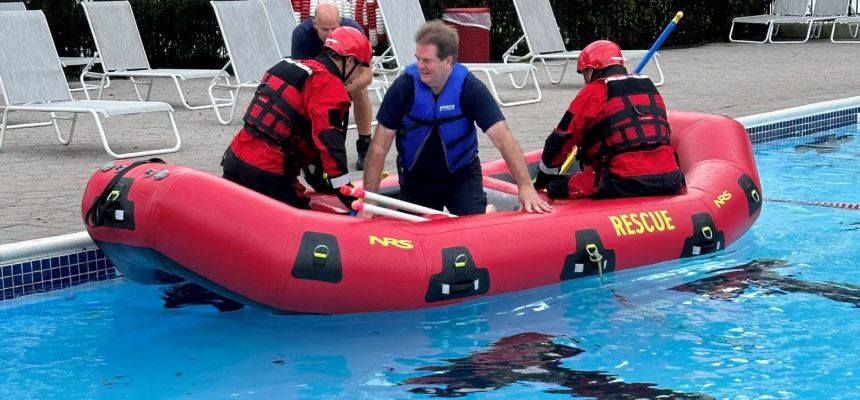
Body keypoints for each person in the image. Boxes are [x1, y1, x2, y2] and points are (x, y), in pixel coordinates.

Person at [362, 21, 551, 216]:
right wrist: (370, 200)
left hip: (461, 177)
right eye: (417, 58)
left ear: (448, 61)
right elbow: (379, 147)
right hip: (417, 179)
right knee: (418, 232)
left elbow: (504, 140)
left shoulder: (470, 88)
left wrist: (526, 186)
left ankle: (486, 210)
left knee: (475, 226)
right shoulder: (404, 87)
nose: (420, 66)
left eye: (427, 60)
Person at [222, 27, 372, 209]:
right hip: (268, 170)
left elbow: (303, 136)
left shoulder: (289, 66)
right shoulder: (328, 85)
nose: (358, 76)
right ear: (349, 61)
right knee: (304, 221)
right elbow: (330, 144)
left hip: (234, 159)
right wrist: (344, 190)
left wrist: (322, 181)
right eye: (361, 67)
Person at [534, 40, 685, 199]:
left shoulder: (594, 92)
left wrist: (542, 179)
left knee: (556, 186)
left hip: (621, 180)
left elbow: (560, 140)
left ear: (590, 70)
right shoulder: (650, 88)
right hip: (670, 177)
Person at [292, 2, 375, 171]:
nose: (330, 34)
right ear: (314, 24)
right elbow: (300, 76)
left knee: (360, 90)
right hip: (318, 79)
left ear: (341, 23)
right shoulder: (302, 34)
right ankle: (306, 144)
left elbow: (367, 75)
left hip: (346, 79)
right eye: (324, 29)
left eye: (334, 28)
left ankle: (365, 145)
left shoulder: (352, 30)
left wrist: (340, 91)